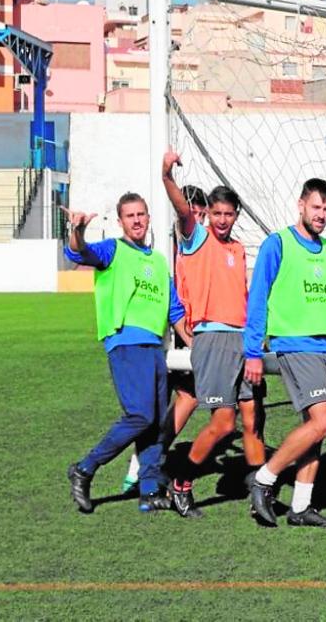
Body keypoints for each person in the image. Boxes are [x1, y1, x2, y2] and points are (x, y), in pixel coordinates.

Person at [242, 178, 326, 528]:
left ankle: (301, 507)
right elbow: (257, 298)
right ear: (301, 205)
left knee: (318, 430)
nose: (322, 215)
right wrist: (252, 351)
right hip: (293, 344)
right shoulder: (278, 244)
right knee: (324, 421)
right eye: (316, 207)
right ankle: (265, 479)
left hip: (322, 348)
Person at [63, 194, 191, 514]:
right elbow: (79, 252)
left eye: (141, 214)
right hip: (125, 342)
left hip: (154, 346)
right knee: (140, 415)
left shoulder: (159, 261)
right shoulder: (113, 249)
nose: (136, 220)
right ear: (120, 222)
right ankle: (85, 468)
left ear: (149, 218)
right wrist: (76, 230)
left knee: (156, 421)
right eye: (129, 215)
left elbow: (174, 310)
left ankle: (149, 492)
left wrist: (194, 346)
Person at [158, 151, 265, 519]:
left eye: (227, 214)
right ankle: (181, 482)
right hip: (213, 340)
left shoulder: (237, 248)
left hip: (242, 342)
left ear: (236, 216)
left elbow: (245, 298)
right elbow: (183, 210)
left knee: (253, 418)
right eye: (216, 213)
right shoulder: (197, 238)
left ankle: (259, 488)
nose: (221, 220)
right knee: (224, 423)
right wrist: (166, 175)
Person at [120, 184, 208, 496]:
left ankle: (142, 466)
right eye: (191, 212)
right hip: (167, 333)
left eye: (200, 213)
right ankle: (142, 466)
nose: (196, 217)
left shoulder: (200, 242)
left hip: (186, 330)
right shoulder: (171, 245)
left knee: (182, 399)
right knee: (165, 404)